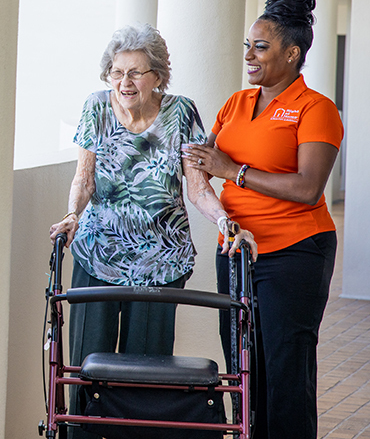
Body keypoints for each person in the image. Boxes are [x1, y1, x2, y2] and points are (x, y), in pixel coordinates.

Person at [50, 24, 256, 439]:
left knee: (145, 373)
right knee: (85, 367)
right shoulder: (96, 108)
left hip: (160, 263)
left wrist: (223, 220)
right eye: (116, 72)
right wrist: (72, 214)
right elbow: (84, 180)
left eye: (135, 73)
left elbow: (197, 188)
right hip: (97, 255)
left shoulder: (181, 113)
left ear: (158, 76)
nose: (124, 82)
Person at [183, 0, 343, 439]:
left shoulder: (316, 109)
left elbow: (308, 188)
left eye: (260, 47)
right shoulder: (236, 103)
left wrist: (232, 171)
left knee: (285, 366)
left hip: (295, 251)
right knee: (244, 362)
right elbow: (202, 160)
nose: (249, 55)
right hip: (237, 251)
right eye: (247, 45)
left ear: (292, 53)